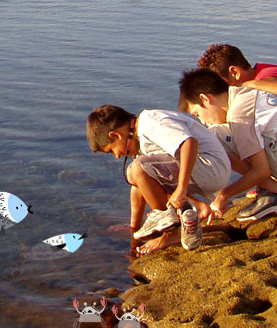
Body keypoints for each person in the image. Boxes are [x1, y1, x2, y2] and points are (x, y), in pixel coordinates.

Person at [178, 68, 277, 222]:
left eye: (197, 114)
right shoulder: (248, 94)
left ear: (205, 98)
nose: (203, 122)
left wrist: (223, 195)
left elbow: (261, 170)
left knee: (214, 137)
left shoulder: (239, 113)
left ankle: (275, 194)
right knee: (229, 133)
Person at [87, 104, 231, 251]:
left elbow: (189, 143)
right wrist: (134, 229)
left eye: (112, 151)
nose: (117, 156)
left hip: (210, 165)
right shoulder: (138, 141)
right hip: (207, 172)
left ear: (115, 135)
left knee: (136, 170)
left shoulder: (150, 123)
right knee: (136, 174)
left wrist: (181, 189)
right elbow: (139, 187)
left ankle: (171, 232)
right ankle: (197, 207)